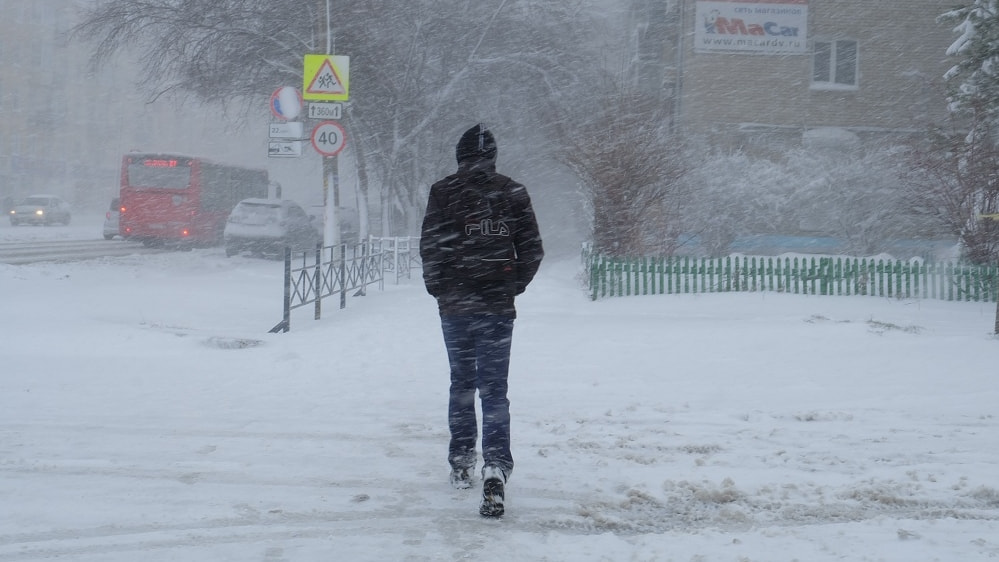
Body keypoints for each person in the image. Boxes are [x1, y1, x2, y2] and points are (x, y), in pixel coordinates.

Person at [419, 124, 544, 517]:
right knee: (494, 389)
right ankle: (495, 465)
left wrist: (441, 289)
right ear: (493, 157)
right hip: (496, 308)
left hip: (456, 307)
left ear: (459, 157)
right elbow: (532, 249)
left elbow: (431, 246)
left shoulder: (444, 192)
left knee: (462, 383)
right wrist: (510, 286)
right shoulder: (512, 192)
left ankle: (461, 460)